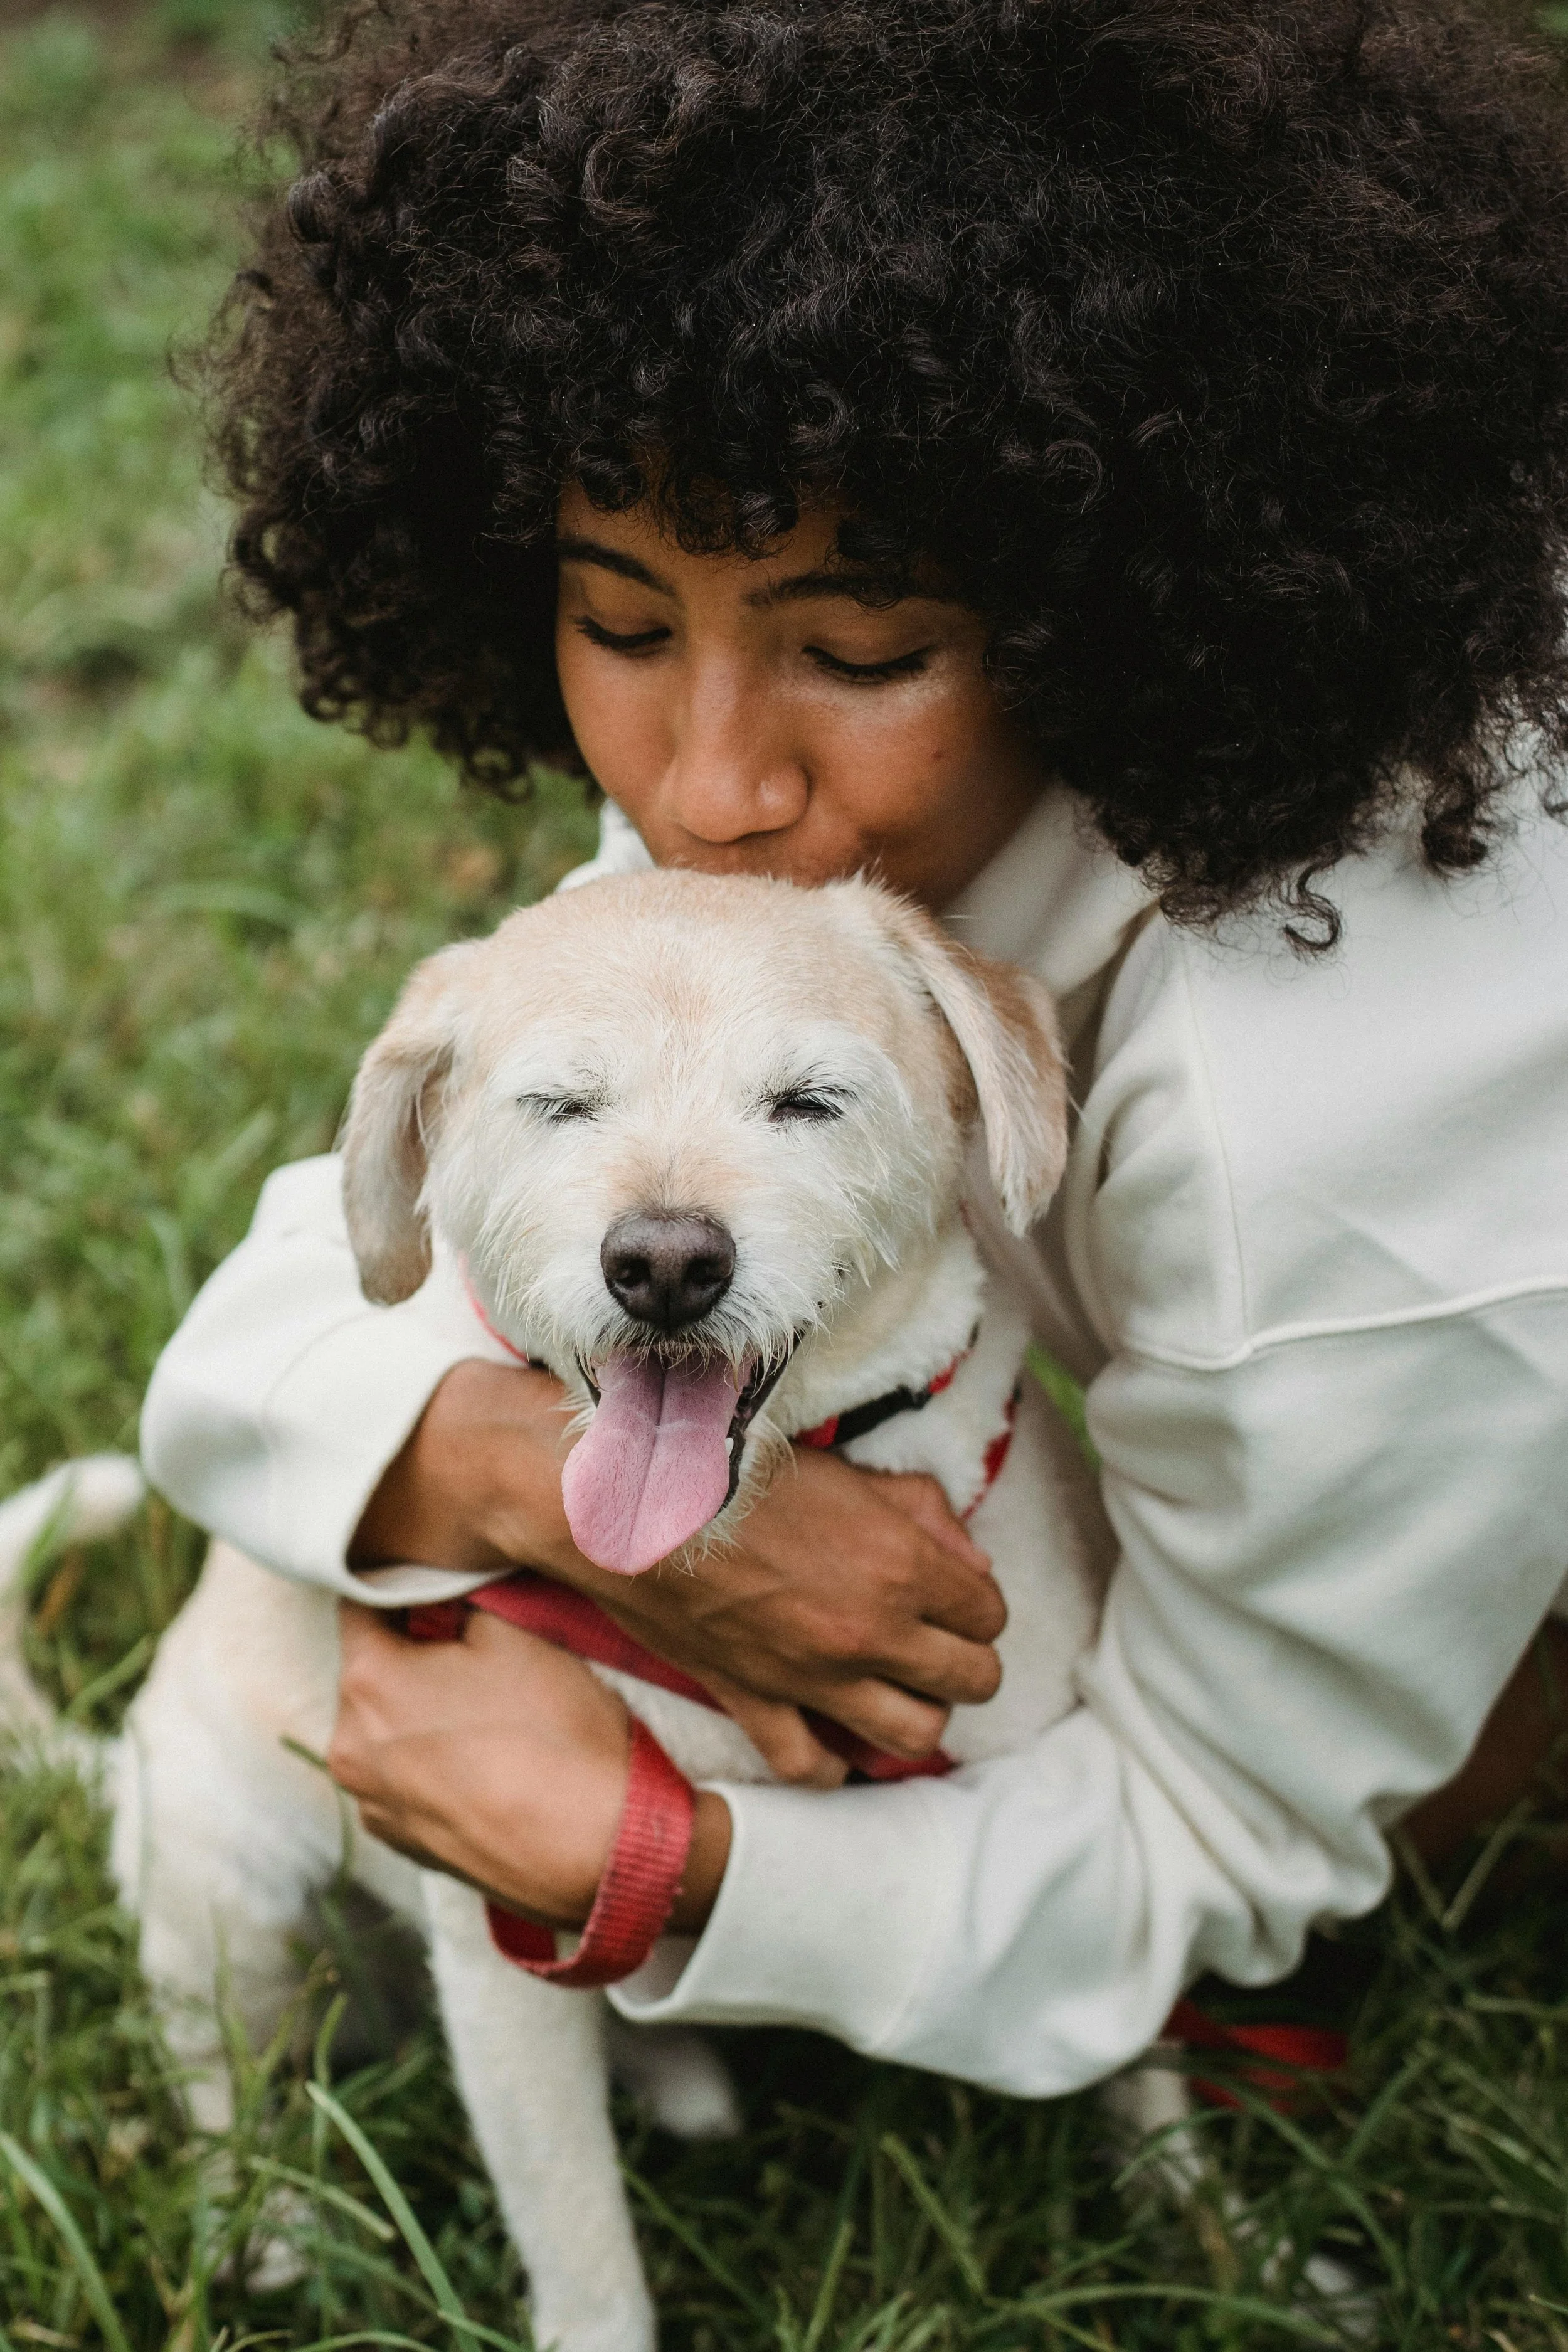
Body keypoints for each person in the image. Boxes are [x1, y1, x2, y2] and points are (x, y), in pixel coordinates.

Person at [142, 0, 1568, 2094]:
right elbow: (258, 1339)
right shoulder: (817, 788)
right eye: (619, 619)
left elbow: (1222, 1838)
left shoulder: (1322, 1133)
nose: (705, 785)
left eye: (862, 649)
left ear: (1107, 595)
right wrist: (522, 1475)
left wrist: (660, 1861)